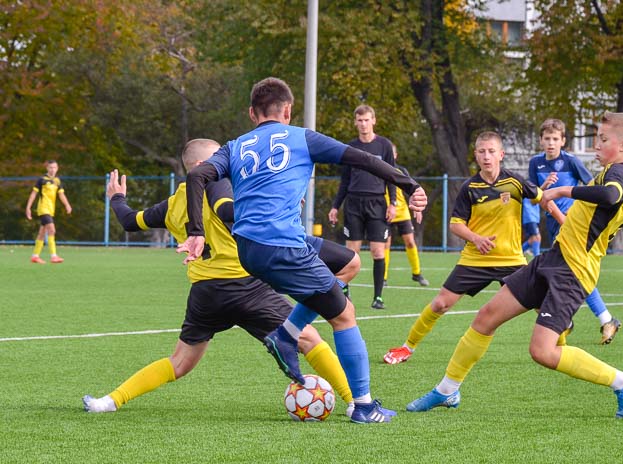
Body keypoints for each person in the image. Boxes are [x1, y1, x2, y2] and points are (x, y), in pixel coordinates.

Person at [406, 112, 623, 420]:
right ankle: (448, 390)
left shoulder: (620, 177)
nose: (596, 144)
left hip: (574, 272)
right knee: (486, 317)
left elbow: (610, 195)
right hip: (553, 259)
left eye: (603, 139)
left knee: (542, 351)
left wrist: (562, 190)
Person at [178, 78, 427, 423]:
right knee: (344, 315)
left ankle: (286, 335)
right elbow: (364, 160)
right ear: (289, 111)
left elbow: (197, 178)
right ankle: (365, 406)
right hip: (283, 247)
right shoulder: (302, 137)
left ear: (252, 113)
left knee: (350, 263)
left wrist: (196, 232)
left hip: (249, 249)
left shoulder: (234, 146)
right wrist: (409, 184)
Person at [83, 139, 358, 416]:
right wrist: (279, 205)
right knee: (308, 337)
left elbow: (130, 221)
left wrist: (117, 198)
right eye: (220, 158)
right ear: (202, 166)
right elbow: (229, 211)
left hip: (206, 294)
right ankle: (354, 401)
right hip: (247, 286)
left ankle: (109, 401)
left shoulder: (173, 203)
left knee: (179, 363)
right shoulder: (216, 184)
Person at [383, 131, 544, 365]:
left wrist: (564, 220)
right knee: (440, 304)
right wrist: (476, 239)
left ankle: (558, 346)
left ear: (501, 154)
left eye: (491, 151)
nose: (486, 156)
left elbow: (543, 198)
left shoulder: (515, 182)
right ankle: (407, 348)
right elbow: (455, 225)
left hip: (511, 260)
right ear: (476, 156)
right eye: (481, 152)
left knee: (540, 304)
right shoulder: (469, 187)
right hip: (475, 260)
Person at [529, 118, 621, 344]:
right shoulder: (535, 163)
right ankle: (600, 319)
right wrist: (542, 191)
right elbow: (532, 199)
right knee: (568, 272)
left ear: (563, 141)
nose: (551, 143)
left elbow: (594, 189)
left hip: (575, 226)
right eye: (547, 138)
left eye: (555, 139)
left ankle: (583, 320)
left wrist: (568, 211)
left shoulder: (570, 162)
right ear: (541, 141)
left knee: (573, 271)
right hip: (553, 226)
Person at [328, 105, 397, 309]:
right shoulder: (350, 147)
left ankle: (378, 297)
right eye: (360, 120)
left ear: (373, 120)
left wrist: (392, 203)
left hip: (377, 203)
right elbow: (345, 180)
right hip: (354, 204)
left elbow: (391, 176)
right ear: (355, 122)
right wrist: (335, 206)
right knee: (351, 253)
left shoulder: (384, 146)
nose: (363, 124)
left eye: (367, 120)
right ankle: (345, 297)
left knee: (378, 251)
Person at [383, 144, 429, 287]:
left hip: (402, 211)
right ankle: (383, 278)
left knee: (410, 241)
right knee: (386, 244)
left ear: (395, 155)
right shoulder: (378, 170)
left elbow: (411, 188)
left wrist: (417, 208)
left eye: (392, 153)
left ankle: (417, 273)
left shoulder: (401, 170)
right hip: (385, 212)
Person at [25, 160, 72, 264]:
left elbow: (61, 194)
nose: (53, 170)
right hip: (43, 209)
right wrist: (28, 207)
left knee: (42, 233)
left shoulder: (57, 181)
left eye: (54, 167)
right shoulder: (41, 180)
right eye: (50, 167)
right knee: (52, 230)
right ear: (47, 168)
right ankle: (54, 256)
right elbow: (33, 194)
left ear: (57, 168)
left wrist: (67, 205)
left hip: (51, 210)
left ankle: (35, 256)